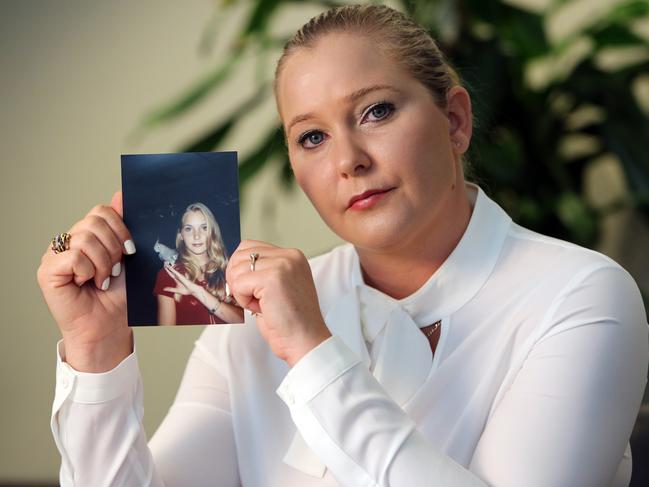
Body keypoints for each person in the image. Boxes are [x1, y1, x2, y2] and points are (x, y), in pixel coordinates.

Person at [37, 4, 648, 486]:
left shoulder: (580, 295)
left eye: (376, 111)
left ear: (455, 121)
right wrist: (95, 352)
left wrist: (313, 351)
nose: (349, 161)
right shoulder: (247, 321)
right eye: (311, 138)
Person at [153, 202, 244, 325]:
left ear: (212, 232)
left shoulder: (229, 270)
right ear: (181, 235)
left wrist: (199, 292)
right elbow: (165, 335)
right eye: (189, 229)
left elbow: (245, 321)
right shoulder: (169, 275)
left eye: (204, 227)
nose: (197, 236)